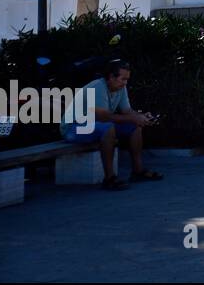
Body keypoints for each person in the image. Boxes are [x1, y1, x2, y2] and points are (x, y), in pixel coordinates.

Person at [59, 59, 162, 191]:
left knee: (135, 126)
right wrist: (133, 118)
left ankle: (138, 171)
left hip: (93, 125)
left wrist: (140, 117)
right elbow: (103, 116)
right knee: (108, 128)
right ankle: (109, 178)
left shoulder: (120, 88)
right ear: (111, 77)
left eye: (127, 79)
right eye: (123, 79)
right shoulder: (97, 87)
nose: (125, 83)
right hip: (72, 128)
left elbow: (127, 111)